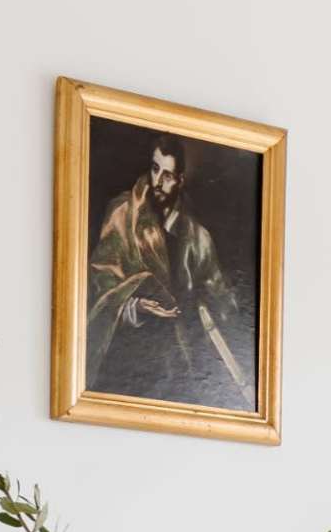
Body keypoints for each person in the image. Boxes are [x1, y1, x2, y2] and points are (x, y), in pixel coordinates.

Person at [86, 136, 252, 405]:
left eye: (167, 175)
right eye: (154, 169)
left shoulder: (198, 238)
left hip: (181, 368)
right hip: (130, 363)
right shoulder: (122, 214)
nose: (157, 182)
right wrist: (136, 306)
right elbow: (102, 283)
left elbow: (222, 304)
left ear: (180, 180)